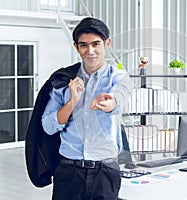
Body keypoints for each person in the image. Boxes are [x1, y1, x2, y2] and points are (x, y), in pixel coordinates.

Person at [41, 17, 133, 200]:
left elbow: (119, 97)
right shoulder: (63, 80)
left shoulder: (119, 77)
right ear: (76, 47)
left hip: (105, 172)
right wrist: (72, 102)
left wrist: (110, 103)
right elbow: (48, 126)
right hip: (69, 172)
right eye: (83, 45)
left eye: (96, 44)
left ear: (107, 43)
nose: (90, 51)